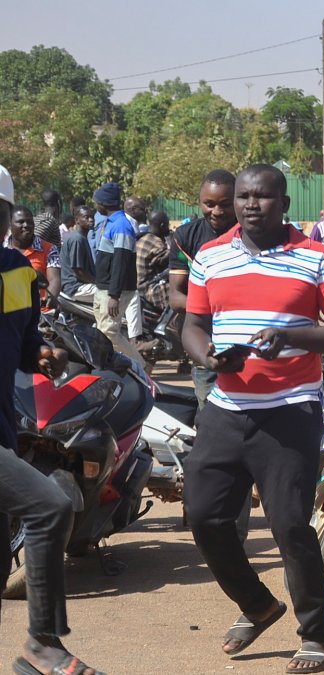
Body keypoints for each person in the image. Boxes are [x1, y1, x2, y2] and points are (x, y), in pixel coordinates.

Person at [182, 164, 324, 674]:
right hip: (227, 407)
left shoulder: (317, 258)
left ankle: (317, 636)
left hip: (289, 410)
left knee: (289, 527)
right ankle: (257, 605)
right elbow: (192, 325)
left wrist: (292, 336)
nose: (249, 205)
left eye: (261, 196)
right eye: (243, 196)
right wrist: (207, 357)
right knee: (205, 517)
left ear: (283, 203)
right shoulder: (210, 257)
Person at [0, 165, 99, 675]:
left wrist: (40, 352)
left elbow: (19, 340)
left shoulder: (16, 270)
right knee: (50, 507)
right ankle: (43, 645)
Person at [169, 170, 237, 407]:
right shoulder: (186, 237)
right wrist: (218, 308)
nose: (216, 212)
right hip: (207, 349)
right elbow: (176, 296)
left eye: (225, 205)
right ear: (200, 203)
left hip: (247, 347)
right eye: (209, 204)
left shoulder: (251, 234)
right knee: (210, 417)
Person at [91, 182, 143, 366]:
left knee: (108, 334)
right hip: (104, 288)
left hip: (113, 292)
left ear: (103, 204)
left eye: (97, 202)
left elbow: (121, 262)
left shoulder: (121, 226)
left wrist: (114, 295)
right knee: (103, 332)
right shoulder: (112, 223)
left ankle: (140, 367)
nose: (95, 206)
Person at [8, 206, 61, 307]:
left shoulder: (49, 249)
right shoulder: (3, 249)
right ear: (10, 225)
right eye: (21, 222)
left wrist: (50, 298)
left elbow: (54, 279)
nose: (26, 225)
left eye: (29, 221)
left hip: (39, 312)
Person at [60, 205, 97, 304]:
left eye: (92, 217)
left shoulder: (82, 238)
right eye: (86, 217)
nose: (91, 219)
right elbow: (78, 271)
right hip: (76, 287)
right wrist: (97, 282)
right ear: (77, 220)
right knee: (113, 294)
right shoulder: (77, 239)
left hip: (82, 285)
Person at [136, 211, 170, 310]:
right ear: (163, 225)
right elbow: (170, 262)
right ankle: (173, 323)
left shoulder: (143, 238)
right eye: (167, 225)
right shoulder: (156, 242)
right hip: (149, 288)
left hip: (138, 286)